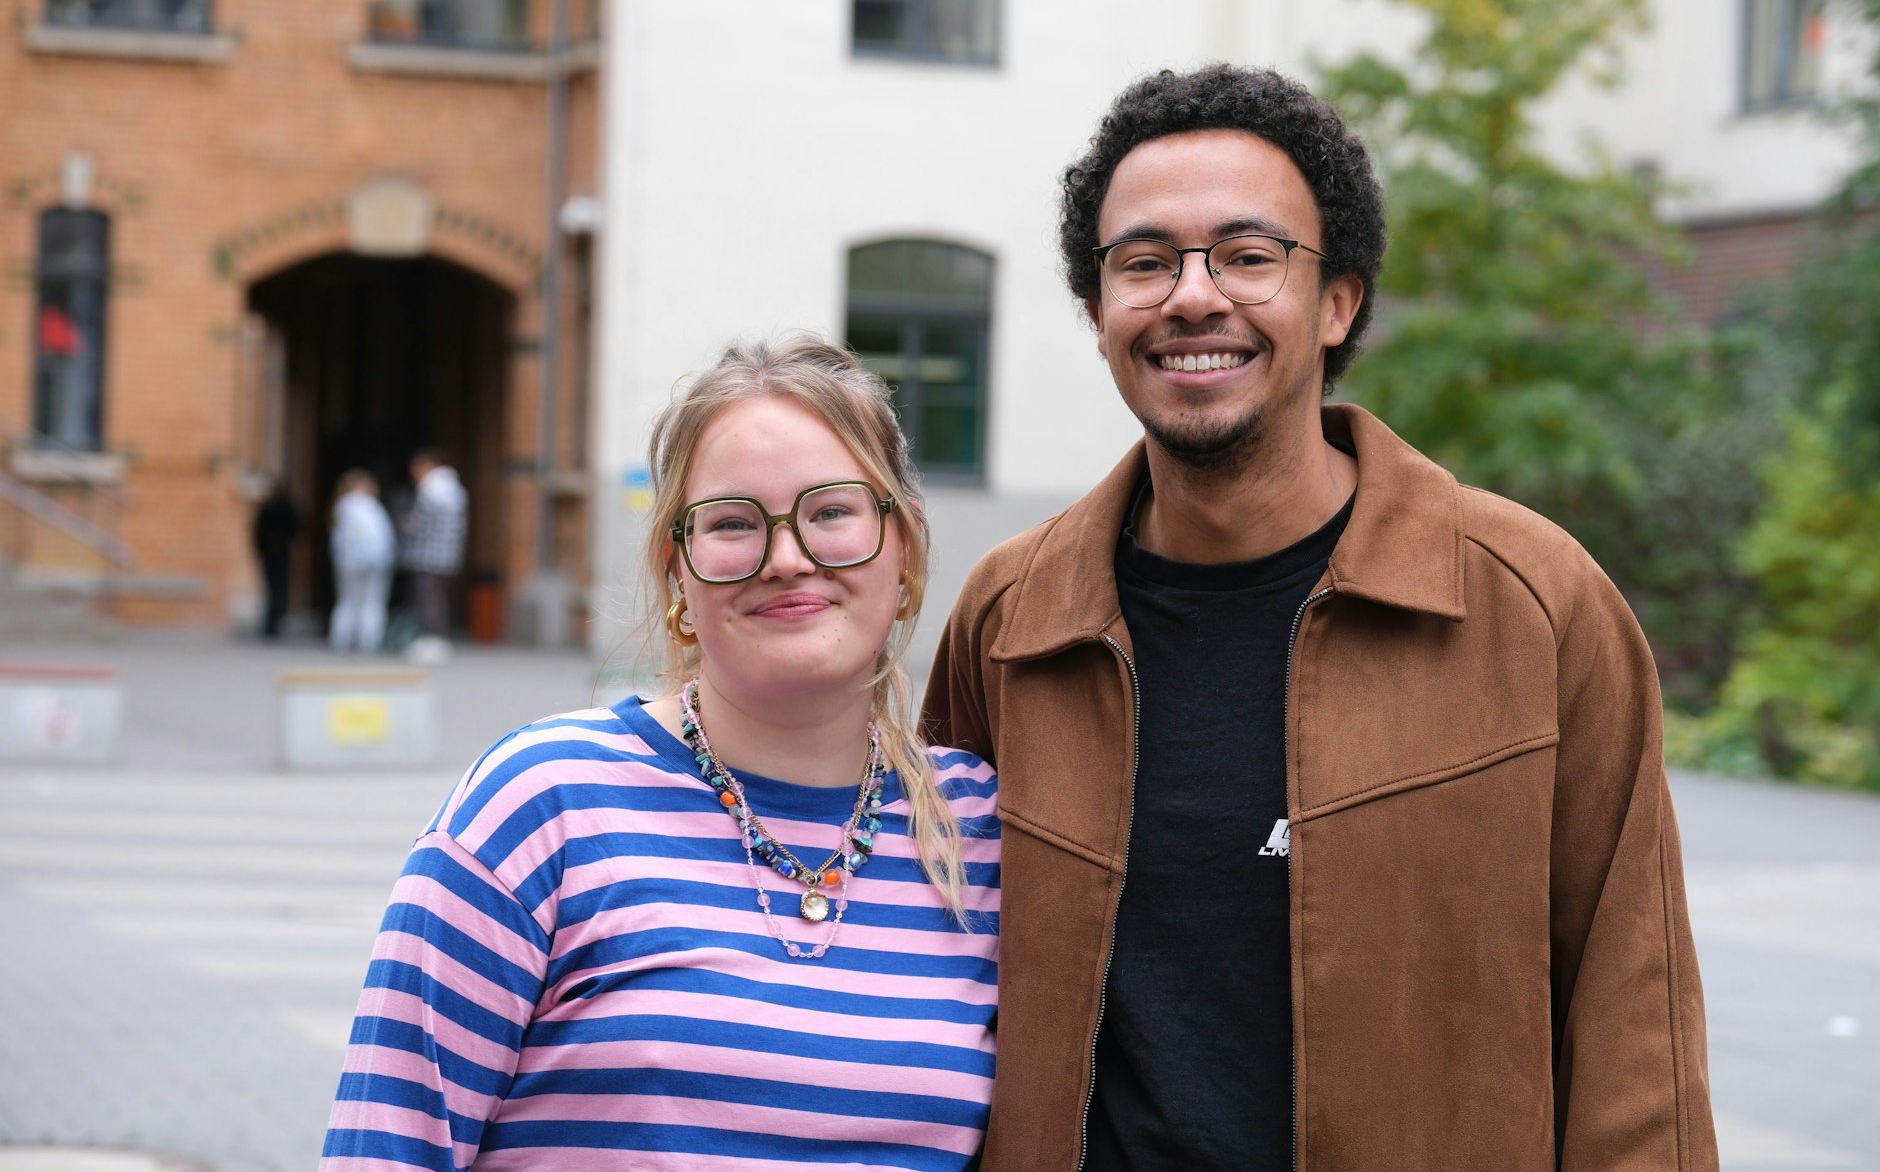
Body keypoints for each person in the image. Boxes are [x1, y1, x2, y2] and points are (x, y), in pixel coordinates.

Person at [923, 65, 1716, 1171]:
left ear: (1337, 299)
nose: (1191, 296)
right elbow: (930, 993)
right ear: (1099, 312)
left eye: (1248, 256)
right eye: (1143, 262)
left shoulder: (1533, 603)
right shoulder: (1012, 618)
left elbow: (1635, 1028)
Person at [322, 337, 1001, 1170]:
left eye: (831, 511)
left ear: (906, 548)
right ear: (677, 570)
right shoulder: (541, 806)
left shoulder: (982, 831)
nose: (786, 557)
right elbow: (388, 1149)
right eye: (732, 523)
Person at [400, 447, 467, 665]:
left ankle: (434, 640)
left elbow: (421, 523)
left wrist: (406, 525)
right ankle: (437, 639)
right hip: (447, 554)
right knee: (438, 598)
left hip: (429, 555)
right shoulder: (453, 488)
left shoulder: (432, 488)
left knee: (429, 598)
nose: (414, 475)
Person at [328, 468, 397, 653]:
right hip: (370, 562)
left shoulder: (342, 506)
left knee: (348, 600)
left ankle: (342, 639)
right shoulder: (363, 506)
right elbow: (374, 537)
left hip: (347, 562)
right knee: (371, 602)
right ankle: (367, 641)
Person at [250, 479, 298, 639]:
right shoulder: (272, 509)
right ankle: (272, 623)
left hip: (279, 554)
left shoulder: (280, 508)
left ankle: (274, 622)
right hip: (274, 554)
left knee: (277, 589)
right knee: (275, 589)